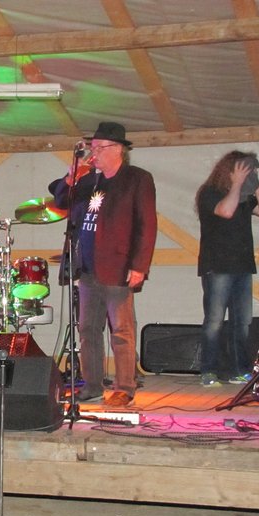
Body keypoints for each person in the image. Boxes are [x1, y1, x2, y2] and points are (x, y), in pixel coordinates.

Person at [49, 122, 157, 407]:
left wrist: (140, 266)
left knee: (120, 330)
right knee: (87, 329)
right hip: (88, 267)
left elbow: (147, 225)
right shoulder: (90, 181)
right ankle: (92, 384)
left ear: (118, 149)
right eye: (92, 147)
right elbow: (60, 199)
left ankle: (125, 387)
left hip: (118, 265)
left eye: (99, 147)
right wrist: (73, 175)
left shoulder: (137, 179)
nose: (94, 152)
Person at [196, 150, 259, 387]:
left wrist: (255, 185)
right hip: (217, 265)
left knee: (241, 322)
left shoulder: (245, 196)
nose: (250, 174)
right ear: (229, 170)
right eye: (246, 170)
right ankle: (209, 370)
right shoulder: (210, 193)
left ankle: (239, 370)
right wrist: (237, 184)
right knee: (214, 320)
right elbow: (226, 211)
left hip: (242, 265)